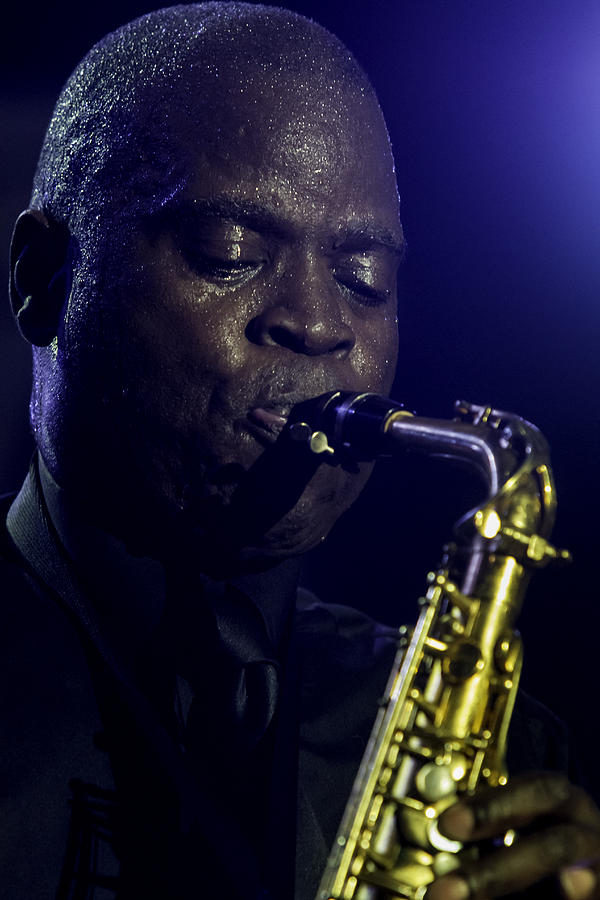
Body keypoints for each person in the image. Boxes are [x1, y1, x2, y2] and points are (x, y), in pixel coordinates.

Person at [2, 4, 599, 899]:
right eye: (230, 251)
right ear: (45, 282)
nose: (320, 324)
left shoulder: (506, 764)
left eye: (365, 280)